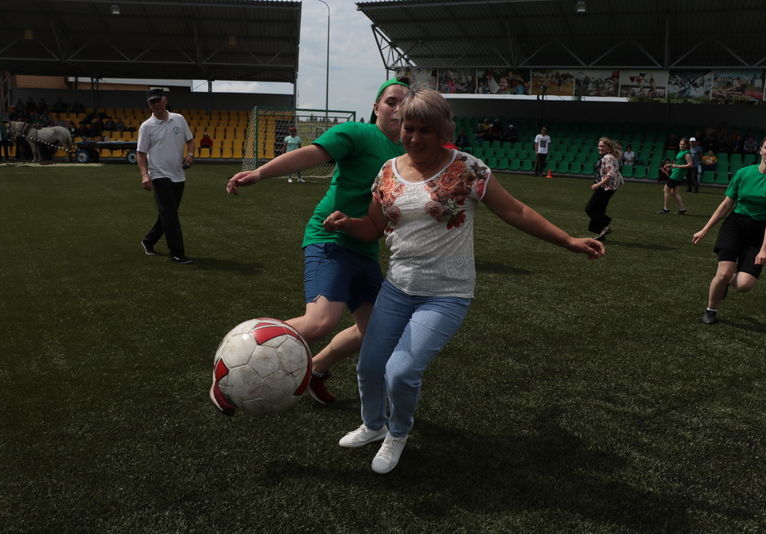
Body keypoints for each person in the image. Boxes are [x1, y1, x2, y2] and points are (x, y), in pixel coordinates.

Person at [323, 90, 605, 474]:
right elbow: (374, 226)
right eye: (409, 128)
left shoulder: (469, 169)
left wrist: (569, 241)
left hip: (446, 294)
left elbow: (516, 210)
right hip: (397, 286)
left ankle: (398, 433)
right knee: (370, 366)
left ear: (444, 130)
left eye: (427, 129)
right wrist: (347, 223)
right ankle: (373, 425)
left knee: (401, 372)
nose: (416, 137)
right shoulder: (387, 171)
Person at [218, 78, 411, 409]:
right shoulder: (357, 133)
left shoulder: (407, 153)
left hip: (364, 247)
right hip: (330, 236)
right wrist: (260, 174)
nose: (398, 108)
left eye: (405, 103)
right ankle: (230, 366)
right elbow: (310, 154)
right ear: (376, 107)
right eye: (391, 101)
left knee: (376, 330)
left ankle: (317, 368)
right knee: (319, 321)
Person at [692, 132, 766, 325]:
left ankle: (727, 282)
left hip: (758, 232)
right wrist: (704, 229)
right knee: (723, 273)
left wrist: (765, 248)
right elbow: (726, 204)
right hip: (735, 225)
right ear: (760, 150)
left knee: (745, 285)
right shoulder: (744, 173)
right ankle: (711, 311)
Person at [137, 88, 196, 264]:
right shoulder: (146, 126)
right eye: (151, 102)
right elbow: (141, 153)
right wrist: (144, 175)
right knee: (170, 215)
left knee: (167, 213)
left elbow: (190, 141)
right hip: (159, 175)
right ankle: (177, 252)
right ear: (148, 105)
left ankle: (148, 241)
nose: (155, 104)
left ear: (165, 100)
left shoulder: (179, 119)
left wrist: (190, 155)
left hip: (178, 174)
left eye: (157, 100)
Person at [585, 137, 623, 241]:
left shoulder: (608, 157)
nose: (600, 148)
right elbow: (614, 171)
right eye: (599, 145)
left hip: (606, 187)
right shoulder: (610, 156)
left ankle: (605, 224)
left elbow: (611, 174)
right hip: (609, 187)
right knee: (599, 209)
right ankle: (602, 233)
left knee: (590, 209)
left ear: (608, 148)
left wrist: (598, 184)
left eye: (602, 146)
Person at [659, 138, 691, 214]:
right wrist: (670, 165)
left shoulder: (686, 154)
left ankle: (665, 209)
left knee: (666, 189)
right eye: (680, 144)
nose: (681, 145)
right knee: (674, 192)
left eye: (683, 144)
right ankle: (682, 209)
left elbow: (690, 164)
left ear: (686, 145)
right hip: (676, 173)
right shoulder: (681, 152)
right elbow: (678, 163)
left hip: (677, 175)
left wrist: (679, 166)